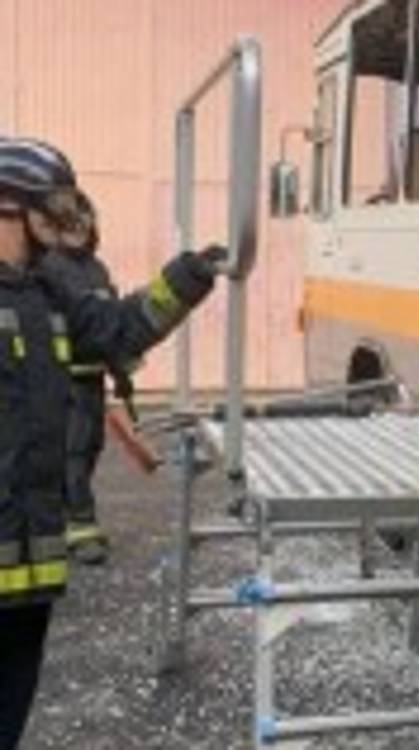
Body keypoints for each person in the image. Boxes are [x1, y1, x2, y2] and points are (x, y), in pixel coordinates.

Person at [0, 137, 224, 750]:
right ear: (9, 206)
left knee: (13, 697)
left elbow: (116, 329)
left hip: (30, 559)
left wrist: (187, 278)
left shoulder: (50, 288)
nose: (67, 218)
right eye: (55, 204)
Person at [37, 188, 128, 565]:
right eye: (70, 220)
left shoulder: (96, 268)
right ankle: (81, 528)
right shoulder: (47, 267)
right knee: (72, 452)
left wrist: (121, 371)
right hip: (62, 380)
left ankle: (61, 518)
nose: (79, 226)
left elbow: (107, 324)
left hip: (92, 379)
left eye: (83, 218)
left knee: (88, 450)